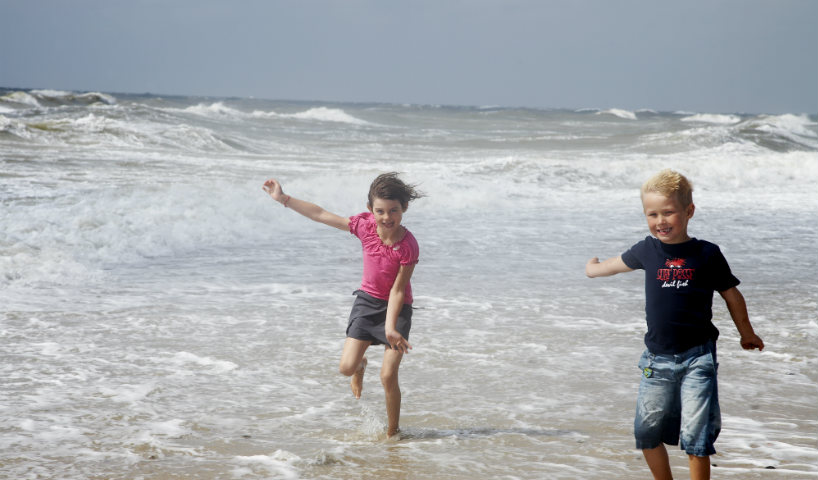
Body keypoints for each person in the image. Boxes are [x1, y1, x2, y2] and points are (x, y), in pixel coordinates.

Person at [585, 169, 764, 480]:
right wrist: (593, 269)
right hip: (656, 359)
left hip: (698, 358)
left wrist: (746, 334)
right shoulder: (646, 249)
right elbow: (613, 266)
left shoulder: (706, 253)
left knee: (697, 436)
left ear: (688, 211)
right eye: (652, 214)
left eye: (668, 212)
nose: (660, 221)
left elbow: (732, 295)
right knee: (646, 432)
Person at [263, 172, 422, 439]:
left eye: (394, 210)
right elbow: (321, 214)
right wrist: (283, 198)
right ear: (371, 210)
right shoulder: (365, 226)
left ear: (404, 208)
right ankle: (360, 367)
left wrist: (391, 327)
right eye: (380, 211)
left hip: (397, 308)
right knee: (345, 368)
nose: (387, 217)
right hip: (367, 303)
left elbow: (397, 290)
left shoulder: (408, 246)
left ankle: (393, 433)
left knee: (387, 376)